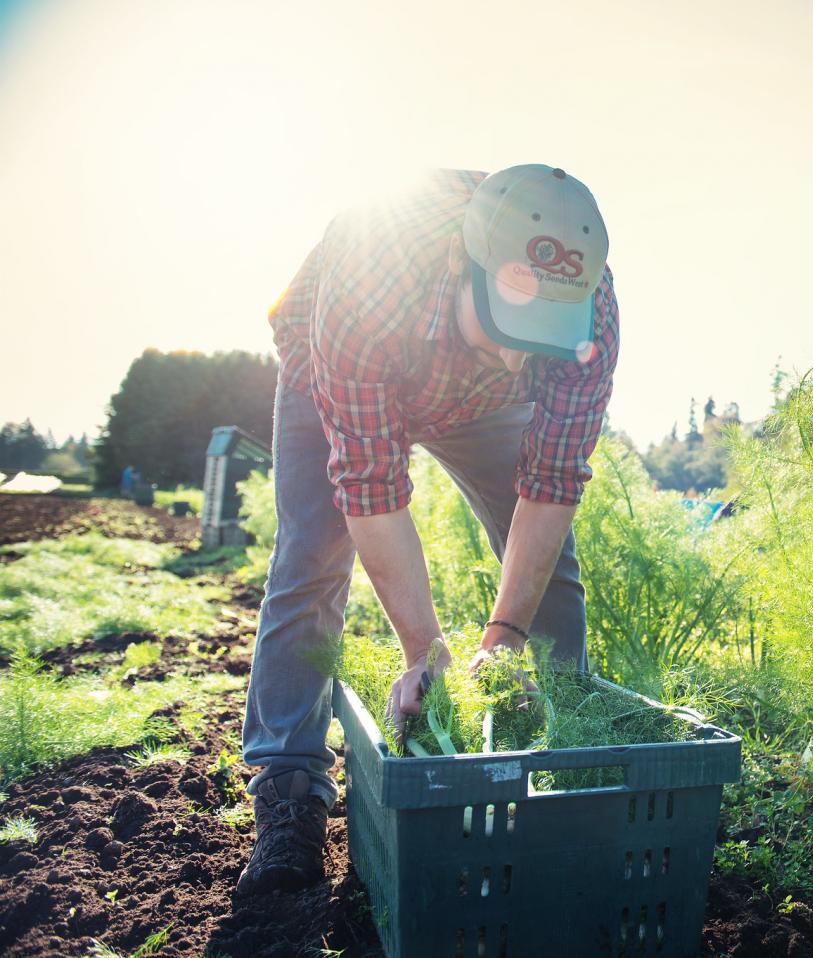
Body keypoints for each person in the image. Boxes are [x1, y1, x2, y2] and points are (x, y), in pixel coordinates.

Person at [237, 166, 618, 895]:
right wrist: (424, 651)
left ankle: (570, 770)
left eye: (542, 338)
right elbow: (371, 489)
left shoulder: (592, 308)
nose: (520, 357)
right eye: (510, 328)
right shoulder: (373, 275)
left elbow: (552, 487)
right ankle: (290, 793)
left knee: (549, 575)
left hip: (476, 400)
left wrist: (504, 640)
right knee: (313, 557)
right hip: (343, 364)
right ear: (460, 268)